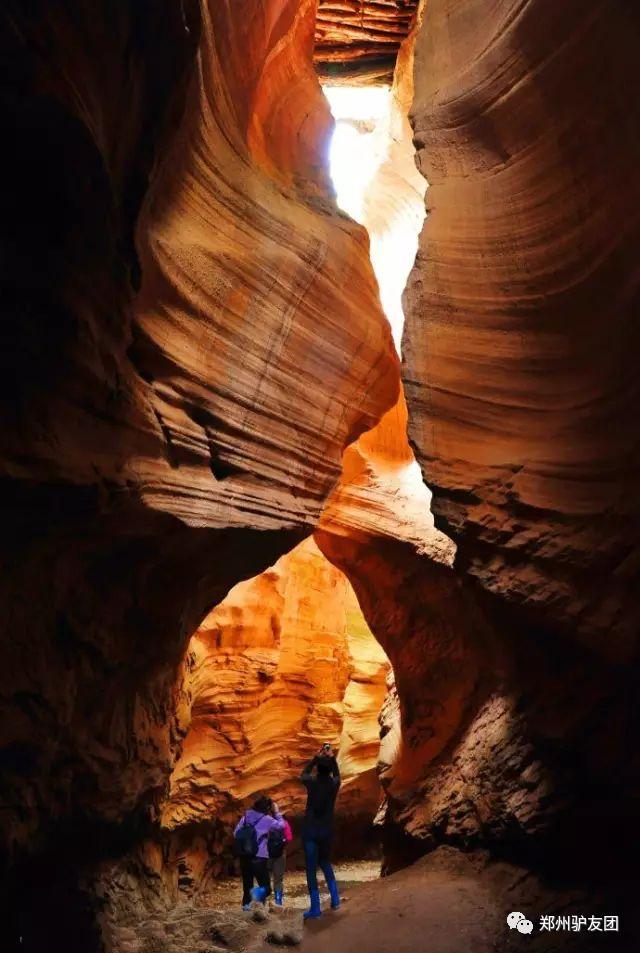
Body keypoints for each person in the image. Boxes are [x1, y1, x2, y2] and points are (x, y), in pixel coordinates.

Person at [299, 743, 341, 919]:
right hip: (326, 831)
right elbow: (338, 775)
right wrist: (332, 759)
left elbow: (303, 774)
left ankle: (315, 909)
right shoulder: (333, 784)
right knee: (325, 862)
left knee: (311, 869)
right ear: (329, 769)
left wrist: (316, 758)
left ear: (318, 768)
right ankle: (336, 899)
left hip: (311, 831)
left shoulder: (312, 782)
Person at [234, 795, 286, 910]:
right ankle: (257, 900)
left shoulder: (246, 817)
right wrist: (276, 812)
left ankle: (246, 911)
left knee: (247, 887)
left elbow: (236, 833)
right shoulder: (266, 819)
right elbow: (282, 826)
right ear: (267, 808)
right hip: (259, 857)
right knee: (266, 888)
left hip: (244, 857)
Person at [270, 813, 293, 907]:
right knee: (278, 879)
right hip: (280, 853)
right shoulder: (284, 823)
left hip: (266, 853)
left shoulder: (265, 822)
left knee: (264, 879)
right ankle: (278, 901)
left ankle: (261, 903)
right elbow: (289, 838)